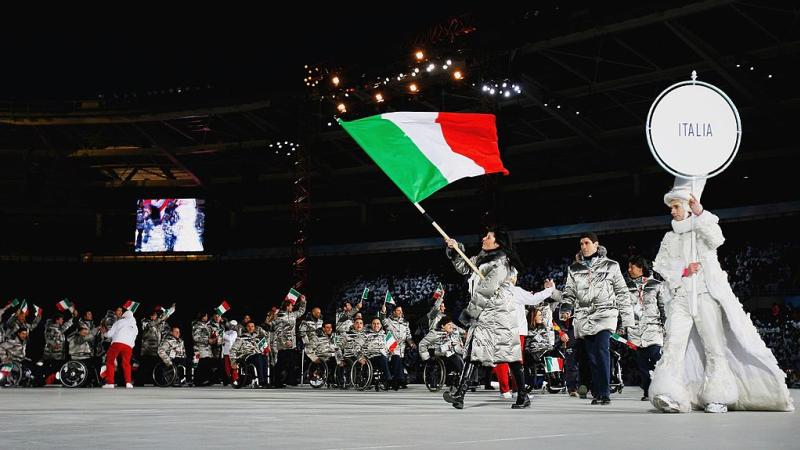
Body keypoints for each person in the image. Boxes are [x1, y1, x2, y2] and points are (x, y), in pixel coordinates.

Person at [650, 178, 794, 413]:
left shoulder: (703, 229)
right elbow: (663, 266)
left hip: (706, 295)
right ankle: (669, 394)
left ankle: (719, 396)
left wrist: (701, 213)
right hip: (682, 298)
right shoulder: (670, 237)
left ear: (688, 205)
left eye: (676, 206)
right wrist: (683, 271)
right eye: (672, 208)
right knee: (673, 344)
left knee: (714, 346)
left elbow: (718, 239)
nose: (673, 211)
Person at [443, 225, 530, 409]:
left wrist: (469, 313)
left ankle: (523, 394)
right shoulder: (482, 258)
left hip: (499, 315)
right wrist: (455, 249)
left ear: (498, 242)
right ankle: (460, 394)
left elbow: (486, 290)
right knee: (473, 352)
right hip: (484, 314)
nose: (483, 239)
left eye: (488, 237)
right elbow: (463, 267)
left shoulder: (502, 263)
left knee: (511, 356)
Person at [554, 232, 634, 405]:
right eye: (581, 244)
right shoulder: (574, 268)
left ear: (596, 244)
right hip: (584, 317)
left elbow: (622, 292)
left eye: (587, 243)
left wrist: (627, 319)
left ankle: (604, 392)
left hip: (606, 314)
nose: (583, 246)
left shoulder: (611, 266)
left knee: (601, 351)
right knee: (590, 357)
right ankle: (597, 392)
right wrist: (566, 308)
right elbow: (569, 292)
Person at [625, 255, 666, 401]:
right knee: (641, 364)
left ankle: (663, 389)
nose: (629, 270)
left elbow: (663, 308)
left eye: (632, 267)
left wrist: (666, 326)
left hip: (653, 329)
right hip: (635, 332)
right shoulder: (627, 287)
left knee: (657, 359)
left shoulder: (656, 284)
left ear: (641, 268)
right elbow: (624, 309)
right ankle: (648, 391)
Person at [266, 295, 306, 387]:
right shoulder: (280, 316)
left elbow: (301, 312)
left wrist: (303, 302)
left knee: (292, 362)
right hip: (282, 344)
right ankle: (277, 382)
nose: (292, 307)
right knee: (281, 363)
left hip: (292, 343)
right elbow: (278, 331)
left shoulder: (293, 314)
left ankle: (290, 380)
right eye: (291, 305)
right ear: (287, 306)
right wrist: (285, 342)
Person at [379, 304, 416, 388]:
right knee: (396, 360)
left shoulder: (405, 323)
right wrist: (383, 312)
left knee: (400, 362)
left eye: (401, 311)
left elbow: (408, 336)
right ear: (394, 312)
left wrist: (411, 343)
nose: (400, 312)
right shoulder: (388, 321)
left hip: (402, 347)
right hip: (391, 346)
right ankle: (399, 380)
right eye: (398, 310)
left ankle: (399, 379)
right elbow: (382, 319)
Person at [102, 309, 138, 388]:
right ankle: (128, 382)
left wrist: (104, 332)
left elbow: (110, 334)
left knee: (110, 361)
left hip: (117, 343)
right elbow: (134, 338)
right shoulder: (135, 327)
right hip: (129, 346)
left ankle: (110, 383)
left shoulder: (120, 322)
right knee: (126, 364)